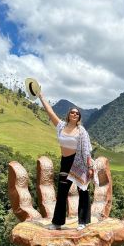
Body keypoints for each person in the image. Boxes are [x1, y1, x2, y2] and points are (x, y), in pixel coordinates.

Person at [38, 92, 95, 231]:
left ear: (79, 117)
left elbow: (87, 150)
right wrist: (41, 96)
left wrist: (90, 167)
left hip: (79, 163)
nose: (74, 114)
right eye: (72, 112)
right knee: (62, 191)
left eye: (77, 113)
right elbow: (50, 111)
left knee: (83, 191)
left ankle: (82, 222)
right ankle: (57, 222)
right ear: (68, 115)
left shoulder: (81, 131)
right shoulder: (61, 126)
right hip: (65, 162)